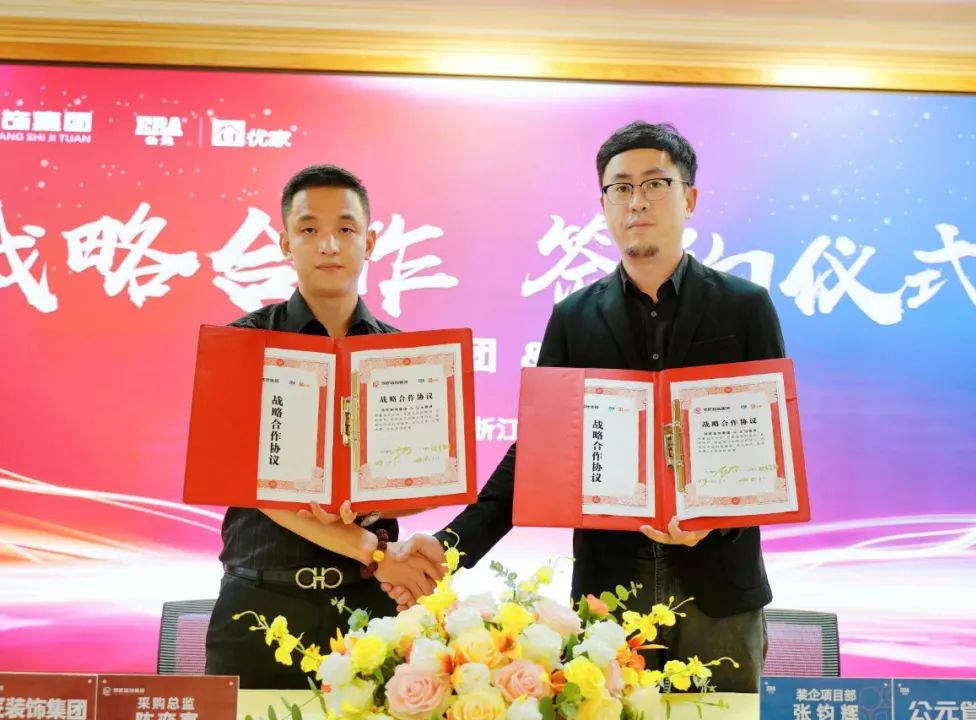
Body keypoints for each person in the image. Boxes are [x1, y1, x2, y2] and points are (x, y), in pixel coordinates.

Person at [398, 122, 785, 692]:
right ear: (604, 204)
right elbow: (536, 455)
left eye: (655, 184)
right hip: (611, 593)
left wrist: (715, 522)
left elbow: (767, 449)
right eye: (620, 187)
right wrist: (450, 546)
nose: (637, 201)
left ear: (690, 198)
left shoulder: (745, 307)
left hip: (720, 592)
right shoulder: (574, 318)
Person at [203, 164, 443, 689]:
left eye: (346, 228)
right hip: (259, 603)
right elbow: (256, 487)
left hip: (368, 606)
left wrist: (369, 505)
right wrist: (372, 548)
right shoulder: (242, 343)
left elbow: (422, 486)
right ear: (285, 242)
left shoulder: (402, 356)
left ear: (370, 242)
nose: (329, 244)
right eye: (309, 229)